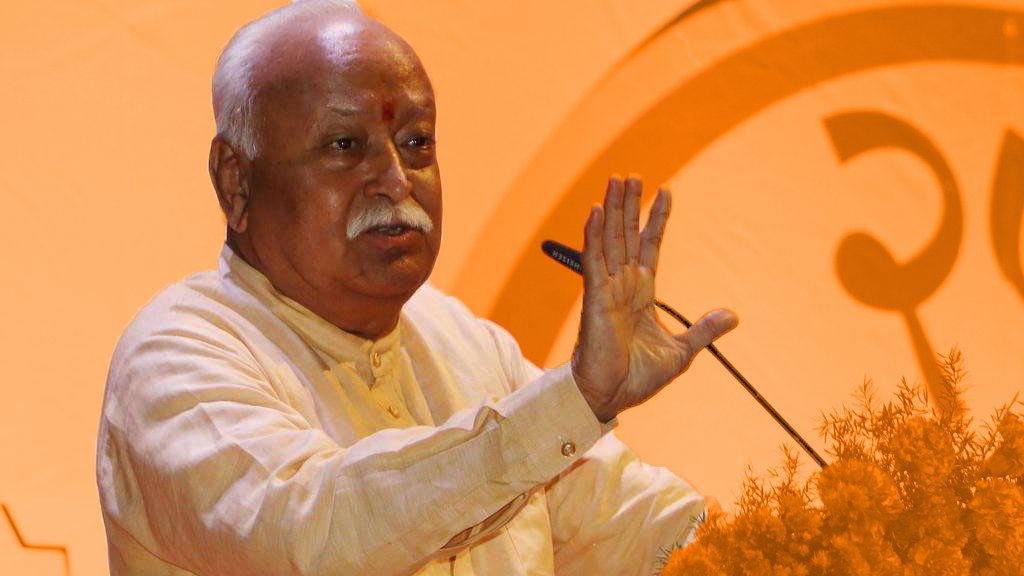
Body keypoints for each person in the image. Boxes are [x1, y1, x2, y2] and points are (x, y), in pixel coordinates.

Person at [96, 1, 738, 574]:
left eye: (416, 142)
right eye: (345, 144)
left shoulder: (463, 342)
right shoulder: (176, 357)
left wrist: (774, 543)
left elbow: (633, 528)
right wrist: (575, 402)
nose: (397, 180)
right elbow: (318, 537)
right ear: (235, 181)